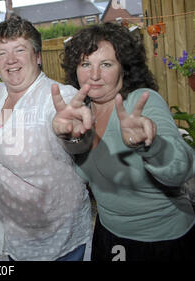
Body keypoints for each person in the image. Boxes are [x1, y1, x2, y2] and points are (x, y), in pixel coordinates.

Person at [52, 23, 195, 261]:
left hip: (163, 241)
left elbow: (180, 169)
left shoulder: (141, 103)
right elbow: (84, 165)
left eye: (106, 64)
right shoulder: (82, 112)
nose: (94, 75)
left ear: (124, 69)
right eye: (85, 64)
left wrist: (150, 146)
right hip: (109, 235)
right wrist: (69, 137)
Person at [0, 15, 92, 261]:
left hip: (57, 239)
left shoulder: (59, 97)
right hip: (10, 235)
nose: (10, 60)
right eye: (1, 53)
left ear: (38, 56)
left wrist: (72, 134)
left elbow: (79, 142)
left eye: (20, 50)